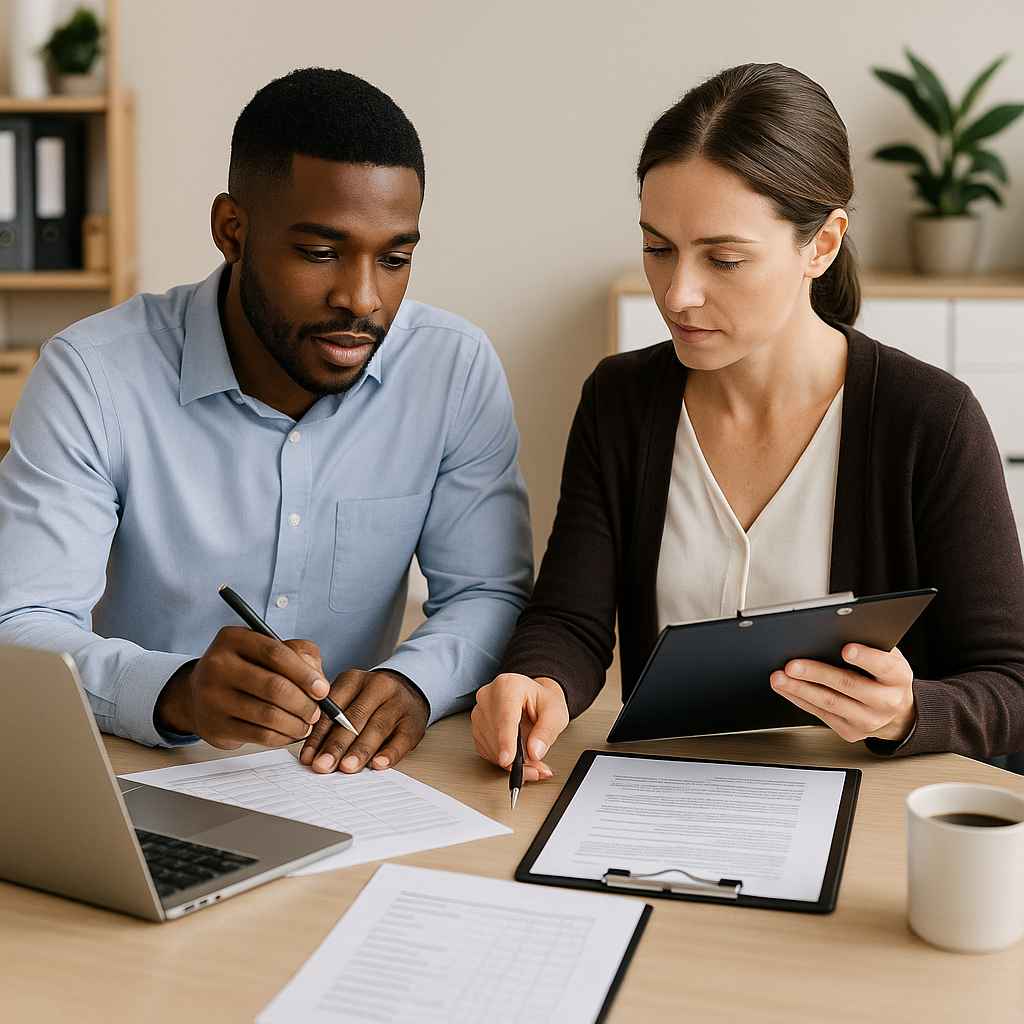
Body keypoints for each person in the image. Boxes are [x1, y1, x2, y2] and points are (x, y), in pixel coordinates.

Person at [472, 62, 1024, 782]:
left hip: (868, 806)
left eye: (724, 259)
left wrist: (908, 711)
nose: (678, 294)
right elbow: (569, 622)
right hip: (659, 793)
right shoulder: (623, 399)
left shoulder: (930, 420)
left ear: (821, 245)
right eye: (657, 247)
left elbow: (1012, 683)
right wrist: (536, 683)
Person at [0, 68, 532, 774]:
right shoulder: (94, 375)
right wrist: (176, 693)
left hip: (348, 783)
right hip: (134, 773)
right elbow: (18, 626)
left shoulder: (452, 368)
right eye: (320, 253)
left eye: (396, 258)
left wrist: (415, 683)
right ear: (232, 230)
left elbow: (489, 594)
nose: (362, 299)